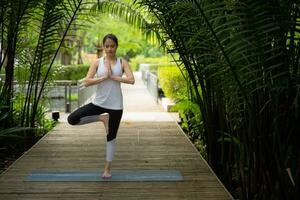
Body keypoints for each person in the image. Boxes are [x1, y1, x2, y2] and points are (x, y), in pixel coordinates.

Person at [67, 33, 135, 179]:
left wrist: (113, 77)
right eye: (107, 46)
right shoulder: (97, 63)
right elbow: (87, 81)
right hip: (98, 102)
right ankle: (102, 118)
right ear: (104, 47)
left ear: (116, 46)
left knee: (111, 137)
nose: (110, 49)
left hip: (116, 105)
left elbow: (131, 80)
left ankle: (107, 170)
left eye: (112, 46)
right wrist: (103, 77)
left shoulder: (122, 62)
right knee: (72, 119)